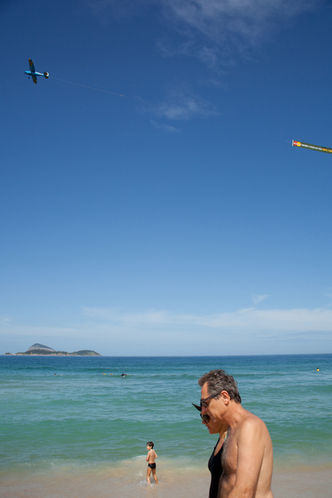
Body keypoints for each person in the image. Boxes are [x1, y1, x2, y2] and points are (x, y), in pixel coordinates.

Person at [198, 369, 273, 498]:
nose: (203, 410)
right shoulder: (229, 430)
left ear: (225, 397)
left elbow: (245, 492)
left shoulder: (250, 426)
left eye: (205, 403)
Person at [193, 402, 228, 498]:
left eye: (206, 417)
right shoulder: (222, 437)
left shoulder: (232, 441)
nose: (203, 422)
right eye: (202, 416)